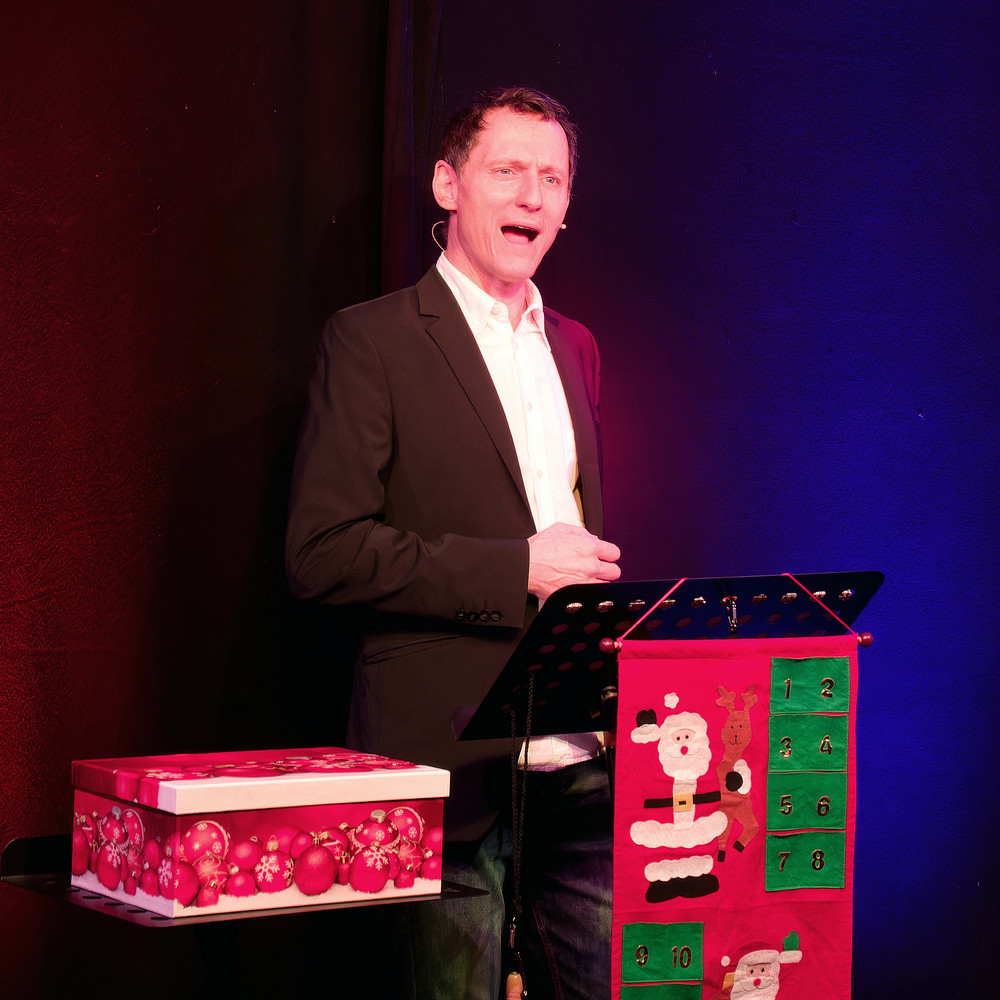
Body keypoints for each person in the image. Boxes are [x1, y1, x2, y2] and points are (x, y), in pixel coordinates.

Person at [286, 86, 620, 1000]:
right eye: (507, 170)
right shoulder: (372, 340)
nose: (532, 196)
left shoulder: (578, 348)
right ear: (447, 185)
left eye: (552, 178)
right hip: (445, 767)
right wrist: (518, 568)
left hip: (580, 763)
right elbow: (322, 552)